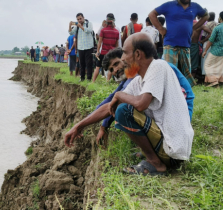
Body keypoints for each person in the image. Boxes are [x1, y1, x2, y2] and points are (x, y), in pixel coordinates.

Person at [64, 33, 195, 176]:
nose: (122, 59)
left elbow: (140, 104)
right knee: (122, 106)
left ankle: (156, 163)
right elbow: (108, 107)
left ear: (138, 54)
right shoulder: (139, 80)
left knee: (124, 111)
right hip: (168, 146)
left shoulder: (158, 66)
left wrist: (119, 95)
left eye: (125, 53)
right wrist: (79, 126)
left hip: (174, 151)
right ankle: (154, 156)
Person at [149, 0, 209, 87]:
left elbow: (206, 15)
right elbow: (152, 14)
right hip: (170, 44)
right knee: (169, 71)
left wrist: (194, 27)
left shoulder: (195, 6)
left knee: (186, 73)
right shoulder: (169, 5)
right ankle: (169, 91)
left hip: (186, 45)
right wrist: (161, 29)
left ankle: (185, 93)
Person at [93, 13, 119, 83]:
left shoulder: (103, 30)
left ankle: (93, 82)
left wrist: (98, 51)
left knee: (97, 67)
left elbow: (100, 42)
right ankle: (107, 82)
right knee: (111, 68)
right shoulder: (116, 32)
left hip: (103, 52)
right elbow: (116, 45)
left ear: (106, 20)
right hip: (111, 53)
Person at [69, 13, 95, 81]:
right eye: (78, 19)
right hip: (80, 47)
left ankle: (89, 78)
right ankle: (82, 78)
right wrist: (70, 25)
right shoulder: (77, 26)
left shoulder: (89, 23)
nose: (79, 20)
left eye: (80, 18)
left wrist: (81, 26)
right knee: (81, 64)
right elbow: (71, 33)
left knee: (89, 63)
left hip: (89, 46)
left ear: (83, 17)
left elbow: (89, 31)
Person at [202, 12, 223, 87]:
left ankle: (214, 82)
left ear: (220, 18)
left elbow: (211, 40)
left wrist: (205, 51)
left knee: (207, 65)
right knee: (220, 66)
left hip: (215, 51)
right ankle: (219, 82)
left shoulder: (217, 28)